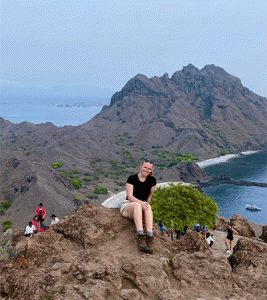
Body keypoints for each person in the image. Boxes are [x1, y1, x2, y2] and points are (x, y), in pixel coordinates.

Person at [120, 159, 156, 253]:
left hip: (141, 207)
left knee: (148, 206)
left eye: (149, 169)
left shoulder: (152, 181)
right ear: (141, 167)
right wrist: (141, 203)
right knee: (137, 205)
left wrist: (146, 205)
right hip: (129, 205)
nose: (146, 170)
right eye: (145, 167)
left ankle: (150, 236)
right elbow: (130, 196)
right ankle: (140, 237)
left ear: (151, 170)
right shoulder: (132, 178)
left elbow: (149, 196)